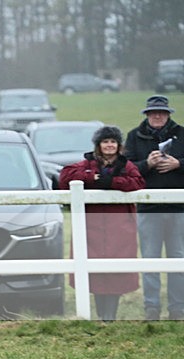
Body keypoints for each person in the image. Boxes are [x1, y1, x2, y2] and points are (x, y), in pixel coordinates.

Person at [60, 126, 145, 321]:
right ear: (99, 145)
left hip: (119, 228)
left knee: (116, 270)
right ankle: (100, 317)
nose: (109, 145)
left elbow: (137, 183)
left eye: (113, 142)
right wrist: (93, 177)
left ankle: (110, 317)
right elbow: (65, 178)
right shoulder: (87, 164)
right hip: (92, 227)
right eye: (105, 142)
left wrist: (112, 181)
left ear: (118, 145)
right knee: (94, 270)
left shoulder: (126, 165)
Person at [124, 95, 184, 321]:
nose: (157, 116)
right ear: (147, 115)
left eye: (162, 112)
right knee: (150, 258)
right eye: (153, 112)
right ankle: (152, 308)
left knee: (178, 258)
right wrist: (147, 165)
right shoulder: (134, 137)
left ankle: (178, 309)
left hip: (179, 208)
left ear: (168, 114)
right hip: (149, 209)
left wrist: (178, 163)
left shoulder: (182, 134)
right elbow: (127, 168)